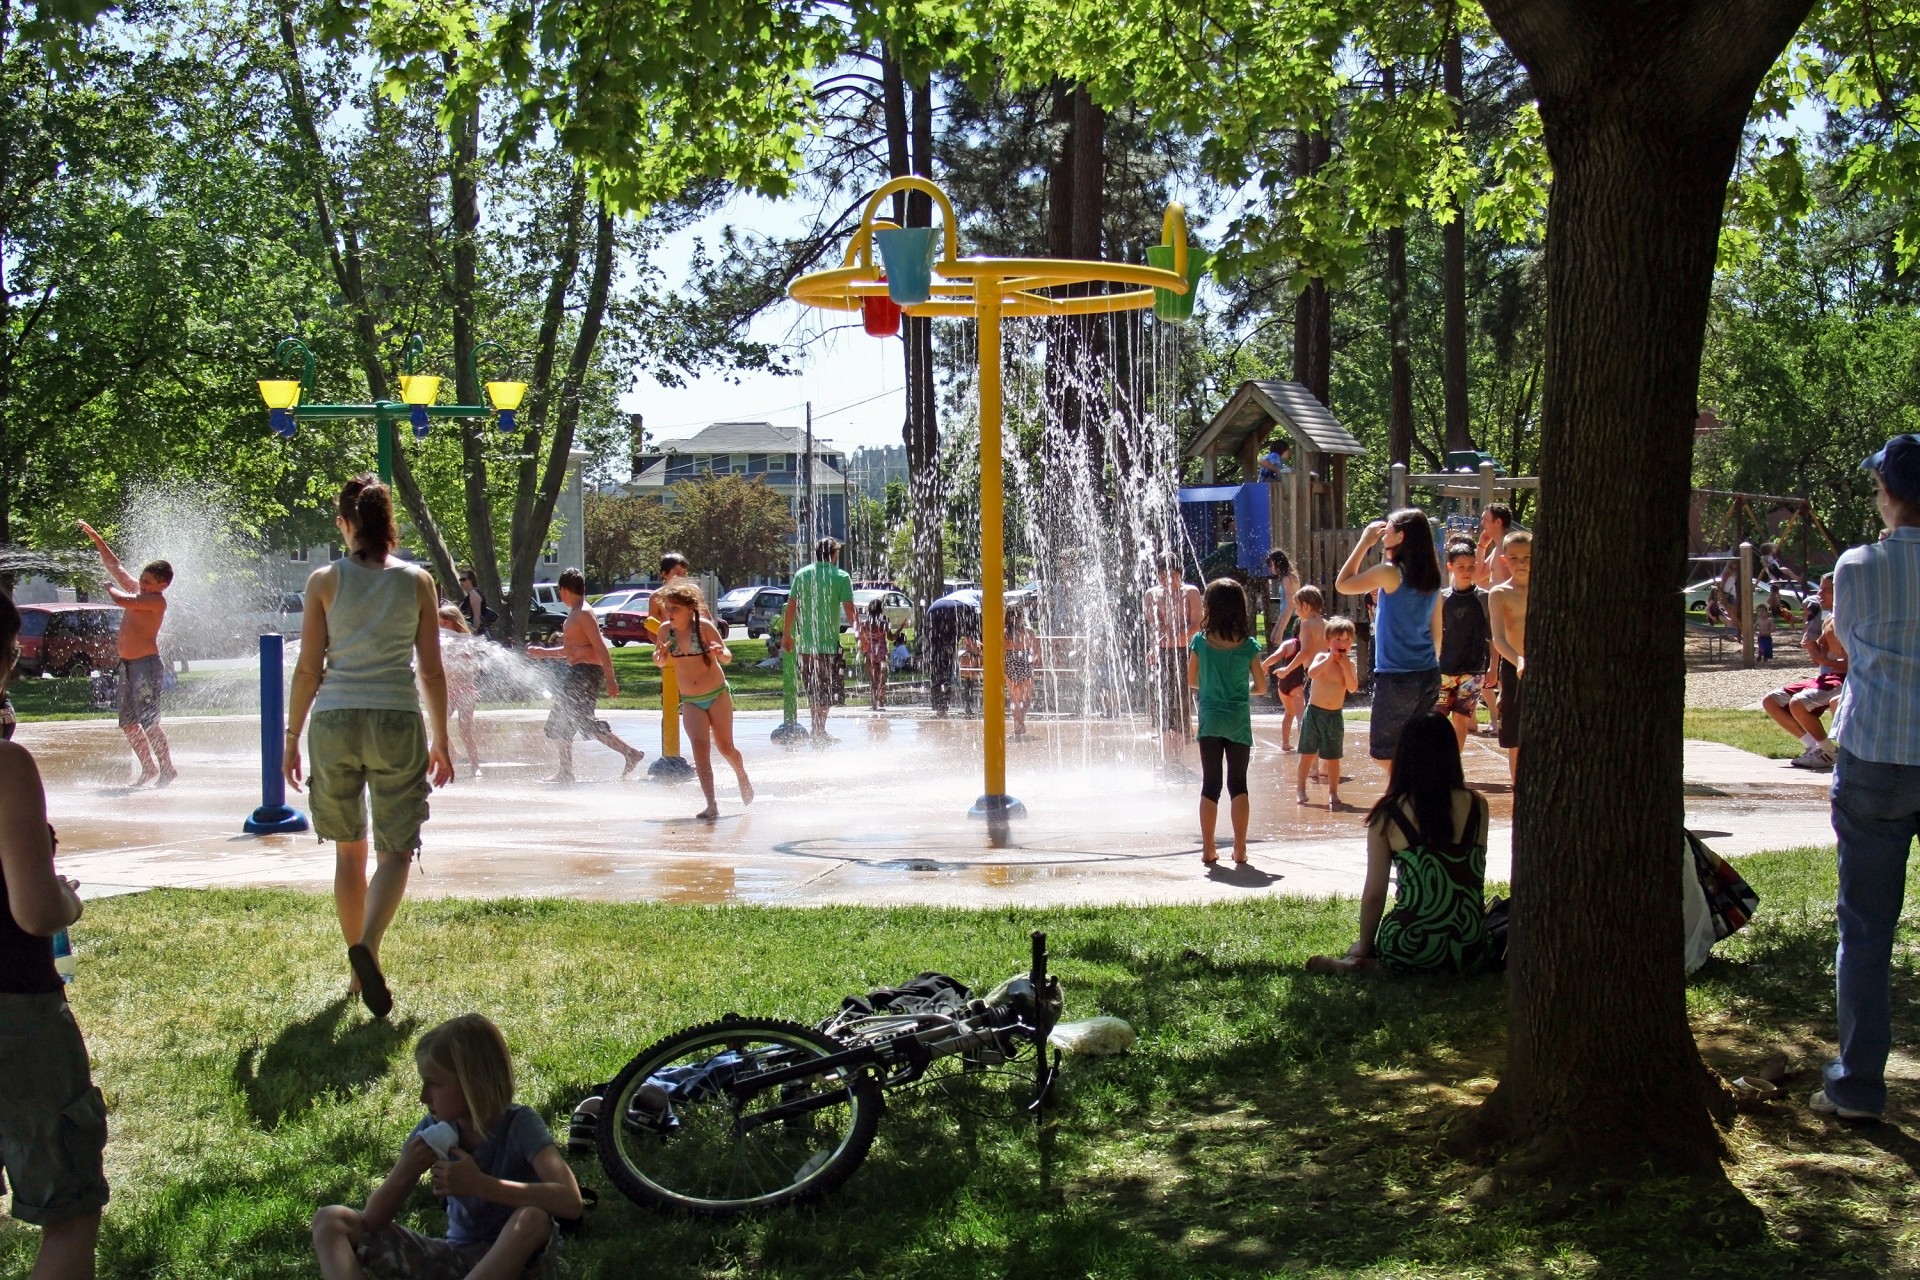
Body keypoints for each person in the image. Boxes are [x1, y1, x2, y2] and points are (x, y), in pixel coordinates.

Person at [285, 475, 455, 1018]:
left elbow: (309, 668)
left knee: (348, 849)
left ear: (345, 524)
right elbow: (430, 670)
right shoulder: (418, 581)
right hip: (396, 720)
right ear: (390, 529)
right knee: (397, 849)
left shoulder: (323, 581)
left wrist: (290, 738)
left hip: (333, 721)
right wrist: (443, 740)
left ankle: (358, 968)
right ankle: (369, 948)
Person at [0, 592, 109, 1280]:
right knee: (68, 1214)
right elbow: (36, 913)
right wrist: (65, 896)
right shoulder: (7, 768)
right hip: (16, 1011)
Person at [1813, 433, 1920, 1122]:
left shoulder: (1858, 564)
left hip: (1877, 750)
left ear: (1887, 493)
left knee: (1867, 929)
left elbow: (1846, 644)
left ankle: (1857, 1086)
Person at [311, 1013, 583, 1280]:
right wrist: (406, 1168)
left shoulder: (519, 1124)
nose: (422, 1096)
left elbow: (571, 1202)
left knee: (533, 1218)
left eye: (435, 1083)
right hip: (457, 1258)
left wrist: (481, 1185)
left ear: (473, 1083)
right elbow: (371, 1221)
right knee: (330, 1221)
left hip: (521, 1264)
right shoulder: (434, 1128)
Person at [1306, 713, 1493, 975]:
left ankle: (1364, 964)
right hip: (1471, 947)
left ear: (1404, 756)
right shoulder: (1478, 806)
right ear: (1452, 753)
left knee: (1375, 948)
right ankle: (1375, 967)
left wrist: (1365, 945)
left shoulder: (1388, 814)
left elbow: (1375, 893)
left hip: (1409, 943)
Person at [1335, 509, 1444, 763]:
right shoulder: (1432, 577)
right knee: (1415, 749)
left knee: (1384, 753)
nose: (1382, 537)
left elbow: (1343, 584)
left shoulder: (1390, 573)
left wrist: (1364, 542)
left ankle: (1407, 795)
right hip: (1428, 674)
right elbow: (1437, 629)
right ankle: (1414, 794)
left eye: (1388, 531)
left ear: (1401, 536)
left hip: (1397, 677)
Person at [78, 520, 175, 786]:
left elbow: (120, 599)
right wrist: (97, 538)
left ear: (162, 585)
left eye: (147, 582)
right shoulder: (142, 591)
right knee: (129, 723)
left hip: (146, 665)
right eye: (142, 579)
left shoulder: (155, 601)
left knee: (150, 722)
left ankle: (167, 768)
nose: (141, 584)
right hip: (128, 665)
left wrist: (109, 587)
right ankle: (149, 769)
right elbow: (116, 566)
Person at [526, 569, 644, 784]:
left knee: (576, 721)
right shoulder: (576, 613)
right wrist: (544, 653)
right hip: (580, 672)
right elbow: (572, 650)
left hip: (586, 672)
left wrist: (611, 678)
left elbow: (600, 646)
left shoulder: (583, 613)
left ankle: (628, 753)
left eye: (560, 591)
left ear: (564, 589)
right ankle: (567, 771)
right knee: (562, 722)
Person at [652, 580, 753, 820]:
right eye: (667, 608)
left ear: (690, 608)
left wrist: (720, 651)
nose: (670, 613)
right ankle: (711, 804)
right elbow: (660, 662)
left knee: (725, 746)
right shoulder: (666, 631)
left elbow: (727, 657)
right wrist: (660, 656)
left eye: (674, 608)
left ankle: (741, 774)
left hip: (717, 694)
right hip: (690, 700)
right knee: (699, 749)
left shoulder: (704, 627)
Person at [1186, 579, 1268, 865]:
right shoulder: (1248, 646)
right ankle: (1240, 848)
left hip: (1210, 720)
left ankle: (1208, 848)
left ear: (1210, 607)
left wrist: (1212, 686)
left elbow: (1192, 680)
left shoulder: (1200, 642)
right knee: (1238, 784)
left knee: (1210, 785)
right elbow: (1261, 687)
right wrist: (1239, 689)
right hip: (1237, 722)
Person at [1763, 574, 1846, 769]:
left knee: (1798, 703)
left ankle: (1827, 752)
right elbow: (1821, 650)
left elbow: (1856, 663)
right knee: (1771, 700)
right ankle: (1815, 746)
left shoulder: (1848, 621)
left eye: (1826, 590)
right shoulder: (1829, 619)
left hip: (1845, 678)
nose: (1819, 594)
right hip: (1827, 677)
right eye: (1819, 589)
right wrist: (1812, 645)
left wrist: (1822, 659)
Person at [782, 537, 857, 745]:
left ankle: (817, 730)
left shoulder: (802, 574)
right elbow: (850, 609)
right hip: (828, 645)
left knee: (813, 687)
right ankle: (819, 730)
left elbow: (791, 606)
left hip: (806, 645)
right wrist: (859, 632)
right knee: (825, 688)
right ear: (833, 554)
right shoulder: (840, 576)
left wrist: (786, 634)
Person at [1143, 553, 1203, 764]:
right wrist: (1154, 647)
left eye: (1172, 575)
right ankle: (1164, 731)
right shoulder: (1152, 595)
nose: (1167, 581)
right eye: (1162, 576)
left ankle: (1181, 732)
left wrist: (1176, 637)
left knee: (1183, 694)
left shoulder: (1191, 592)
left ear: (1180, 573)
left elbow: (1197, 625)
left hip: (1186, 649)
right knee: (1163, 693)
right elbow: (1154, 628)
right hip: (1164, 650)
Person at [1435, 540, 1492, 751]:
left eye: (1471, 567)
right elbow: (1433, 633)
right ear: (1450, 567)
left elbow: (1492, 636)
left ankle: (1455, 766)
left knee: (1460, 718)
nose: (1466, 571)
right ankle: (1439, 762)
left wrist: (1493, 667)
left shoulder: (1484, 598)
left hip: (1473, 669)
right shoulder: (1442, 598)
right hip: (1444, 668)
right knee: (1438, 718)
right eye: (1461, 567)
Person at [1297, 616, 1359, 809]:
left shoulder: (1350, 665)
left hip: (1334, 716)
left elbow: (1352, 687)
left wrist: (1345, 667)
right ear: (1328, 642)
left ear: (1352, 643)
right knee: (1307, 754)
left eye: (1347, 640)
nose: (1343, 643)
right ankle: (1300, 788)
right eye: (1338, 639)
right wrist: (1330, 659)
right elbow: (1312, 673)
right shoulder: (1321, 658)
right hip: (1314, 713)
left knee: (1333, 758)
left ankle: (1333, 792)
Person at [1488, 530, 1532, 785]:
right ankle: (1518, 787)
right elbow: (1498, 638)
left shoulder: (1546, 592)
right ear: (1504, 560)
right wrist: (1519, 660)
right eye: (1514, 558)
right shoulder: (1500, 593)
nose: (1521, 564)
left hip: (1542, 666)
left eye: (1527, 557)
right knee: (1514, 734)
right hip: (1514, 666)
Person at [1263, 584, 1325, 755]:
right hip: (1325, 673)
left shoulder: (1305, 625)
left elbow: (1304, 652)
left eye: (1297, 607)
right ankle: (1325, 755)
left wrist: (1287, 669)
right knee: (1324, 714)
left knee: (1309, 716)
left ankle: (1310, 756)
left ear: (1306, 606)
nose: (1297, 612)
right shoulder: (1327, 624)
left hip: (1311, 675)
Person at [437, 606, 482, 779]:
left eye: (445, 623)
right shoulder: (438, 641)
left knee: (465, 729)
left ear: (455, 623)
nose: (442, 626)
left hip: (465, 690)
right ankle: (453, 752)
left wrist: (466, 661)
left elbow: (475, 667)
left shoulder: (465, 641)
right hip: (446, 690)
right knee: (439, 726)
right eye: (439, 623)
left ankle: (475, 765)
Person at [924, 589, 979, 717]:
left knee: (939, 659)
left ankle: (940, 706)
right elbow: (971, 640)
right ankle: (968, 705)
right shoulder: (983, 601)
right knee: (971, 655)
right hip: (958, 608)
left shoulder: (972, 594)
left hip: (933, 609)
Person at [1005, 606, 1040, 739]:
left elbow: (1036, 648)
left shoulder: (1028, 632)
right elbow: (1000, 652)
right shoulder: (1004, 634)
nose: (1016, 619)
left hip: (1025, 663)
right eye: (1014, 616)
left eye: (1018, 616)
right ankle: (1017, 724)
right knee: (1015, 697)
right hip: (1011, 664)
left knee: (1027, 699)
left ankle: (1020, 720)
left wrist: (1034, 660)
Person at [858, 597, 891, 710]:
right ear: (881, 610)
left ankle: (873, 705)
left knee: (872, 681)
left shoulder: (864, 624)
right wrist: (901, 628)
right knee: (882, 679)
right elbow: (891, 637)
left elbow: (859, 638)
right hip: (882, 654)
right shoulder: (884, 623)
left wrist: (864, 649)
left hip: (869, 654)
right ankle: (881, 703)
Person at [456, 570, 496, 639]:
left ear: (471, 580)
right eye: (460, 580)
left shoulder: (474, 593)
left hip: (479, 635)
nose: (461, 582)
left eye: (463, 579)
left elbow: (477, 616)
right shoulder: (470, 595)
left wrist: (473, 635)